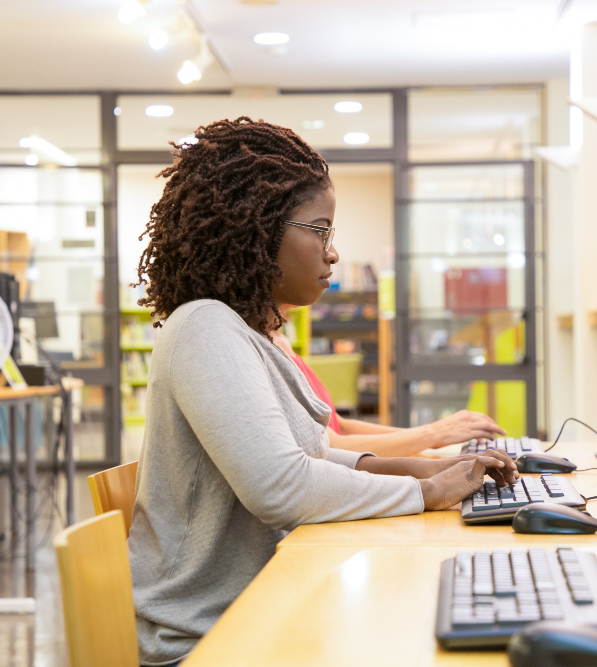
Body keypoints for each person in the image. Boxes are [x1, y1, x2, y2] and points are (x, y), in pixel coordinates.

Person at [126, 117, 519, 667]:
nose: (332, 253)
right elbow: (281, 488)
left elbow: (314, 453)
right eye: (321, 230)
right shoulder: (204, 328)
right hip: (204, 640)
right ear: (258, 229)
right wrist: (427, 494)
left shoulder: (249, 333)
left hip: (261, 606)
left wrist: (433, 471)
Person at [271, 327, 506, 457]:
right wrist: (432, 434)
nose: (331, 257)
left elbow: (340, 426)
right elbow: (330, 447)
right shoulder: (270, 345)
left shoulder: (282, 340)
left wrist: (428, 440)